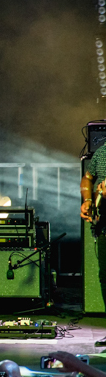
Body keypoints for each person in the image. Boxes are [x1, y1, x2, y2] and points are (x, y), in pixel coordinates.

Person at [80, 146, 106, 346]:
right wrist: (88, 200)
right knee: (105, 277)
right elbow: (88, 178)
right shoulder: (103, 152)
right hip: (104, 226)